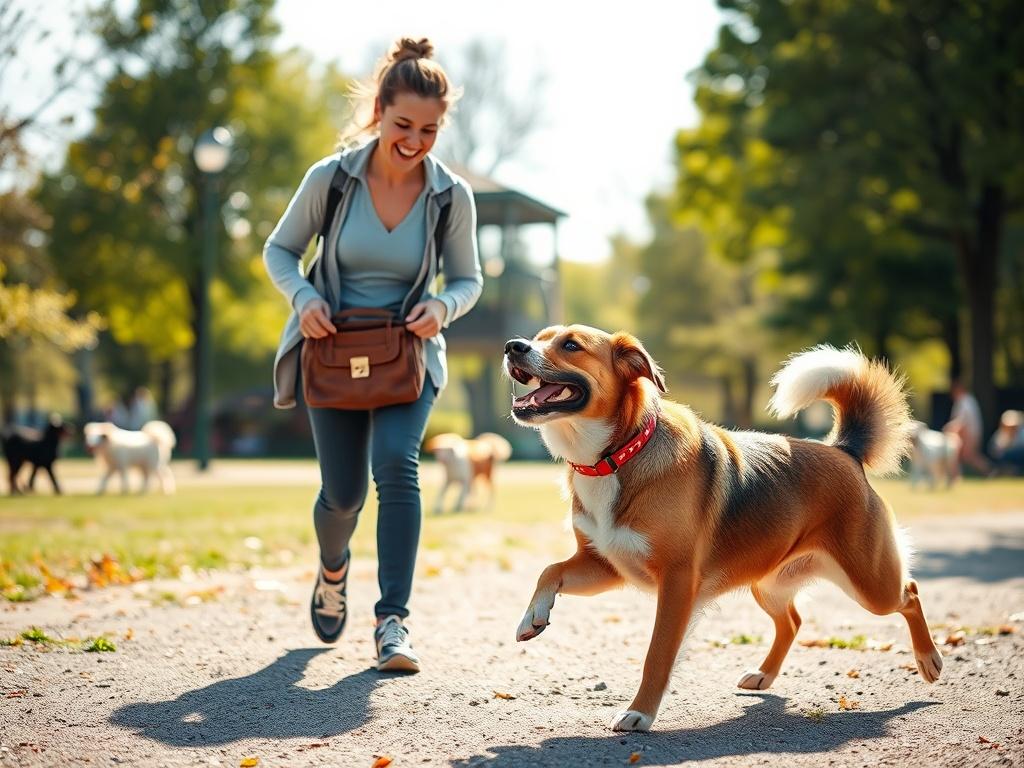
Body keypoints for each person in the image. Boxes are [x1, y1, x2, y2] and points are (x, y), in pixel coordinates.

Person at [263, 37, 482, 673]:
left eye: (430, 130)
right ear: (379, 110)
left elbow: (469, 279)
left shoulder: (450, 196)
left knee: (397, 463)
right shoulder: (330, 179)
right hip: (330, 355)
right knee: (342, 494)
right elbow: (280, 250)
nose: (415, 140)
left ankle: (393, 623)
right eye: (403, 125)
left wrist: (442, 308)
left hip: (408, 357)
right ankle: (333, 571)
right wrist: (303, 297)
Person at [943, 379, 990, 476]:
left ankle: (989, 471)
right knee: (965, 456)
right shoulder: (968, 400)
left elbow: (961, 421)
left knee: (969, 456)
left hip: (968, 434)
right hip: (969, 433)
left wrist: (949, 428)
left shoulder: (964, 401)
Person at [989, 410, 1024, 476]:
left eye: (1013, 426)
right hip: (1006, 461)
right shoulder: (999, 435)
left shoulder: (1022, 434)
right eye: (1008, 425)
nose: (1010, 428)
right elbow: (994, 452)